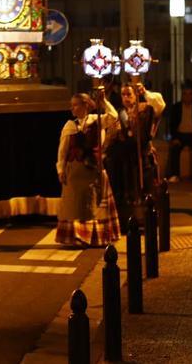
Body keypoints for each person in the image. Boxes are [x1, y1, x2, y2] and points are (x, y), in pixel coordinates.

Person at [56, 91, 121, 247]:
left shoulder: (97, 120)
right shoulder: (69, 126)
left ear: (85, 105)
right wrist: (60, 169)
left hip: (92, 169)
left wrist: (103, 101)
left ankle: (92, 237)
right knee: (74, 205)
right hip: (74, 170)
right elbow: (62, 150)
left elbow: (114, 117)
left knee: (92, 205)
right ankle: (76, 237)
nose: (72, 109)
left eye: (76, 105)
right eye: (71, 106)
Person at [109, 83, 154, 232]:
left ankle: (144, 219)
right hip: (124, 158)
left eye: (129, 94)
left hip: (140, 155)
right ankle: (125, 220)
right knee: (124, 187)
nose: (126, 98)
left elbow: (145, 133)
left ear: (136, 95)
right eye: (123, 95)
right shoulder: (119, 112)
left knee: (142, 187)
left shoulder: (145, 109)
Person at [166, 83, 192, 183]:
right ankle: (175, 175)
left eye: (190, 94)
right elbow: (172, 124)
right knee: (175, 149)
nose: (187, 96)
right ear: (182, 95)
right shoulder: (176, 107)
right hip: (180, 135)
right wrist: (174, 138)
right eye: (185, 94)